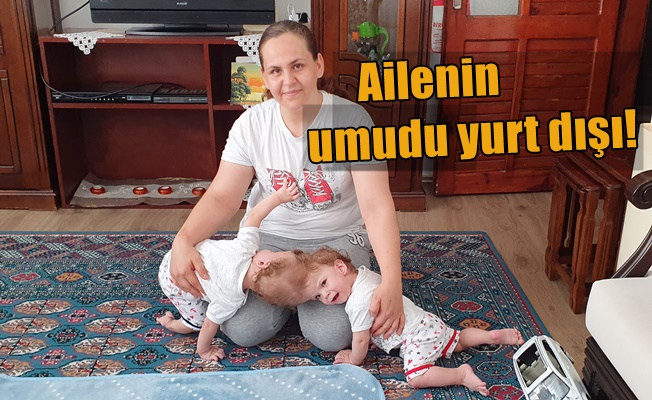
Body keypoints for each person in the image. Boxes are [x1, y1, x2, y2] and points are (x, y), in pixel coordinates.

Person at [168, 19, 405, 351]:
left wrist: (393, 282)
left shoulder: (353, 120)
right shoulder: (250, 125)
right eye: (276, 71)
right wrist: (183, 239)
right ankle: (296, 298)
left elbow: (376, 207)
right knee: (243, 329)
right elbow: (222, 196)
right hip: (272, 241)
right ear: (265, 78)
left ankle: (299, 299)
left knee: (333, 335)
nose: (288, 80)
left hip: (336, 239)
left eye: (298, 66)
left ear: (318, 64)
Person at [277, 247, 525, 396]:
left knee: (416, 376)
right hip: (428, 323)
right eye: (318, 296)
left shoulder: (356, 304)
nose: (326, 295)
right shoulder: (366, 275)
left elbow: (360, 340)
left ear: (340, 267)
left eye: (324, 283)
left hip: (415, 339)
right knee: (457, 340)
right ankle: (491, 336)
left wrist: (353, 358)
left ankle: (459, 375)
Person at [156, 179, 301, 361]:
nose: (272, 250)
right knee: (200, 318)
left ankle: (169, 323)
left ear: (263, 262)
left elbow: (255, 215)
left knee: (199, 319)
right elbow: (210, 325)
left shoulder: (246, 247)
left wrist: (279, 197)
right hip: (178, 271)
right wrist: (206, 350)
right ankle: (170, 321)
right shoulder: (231, 300)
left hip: (177, 266)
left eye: (276, 253)